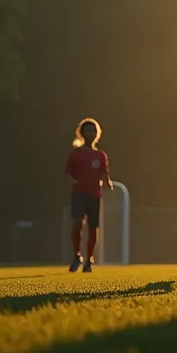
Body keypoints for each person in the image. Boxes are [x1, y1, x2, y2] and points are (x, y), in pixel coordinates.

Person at [65, 117, 111, 273]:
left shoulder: (101, 155)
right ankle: (76, 254)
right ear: (81, 133)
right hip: (79, 193)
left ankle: (89, 259)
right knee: (77, 223)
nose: (90, 133)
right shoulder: (76, 154)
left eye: (93, 131)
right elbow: (68, 173)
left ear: (97, 134)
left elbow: (104, 173)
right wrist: (73, 180)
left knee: (93, 227)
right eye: (87, 131)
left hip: (94, 195)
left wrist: (107, 182)